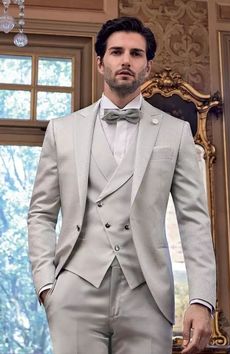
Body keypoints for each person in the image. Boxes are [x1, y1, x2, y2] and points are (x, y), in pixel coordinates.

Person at [28, 16, 216, 354]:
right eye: (116, 52)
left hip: (147, 293)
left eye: (136, 53)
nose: (126, 60)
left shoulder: (175, 132)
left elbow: (194, 220)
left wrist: (202, 298)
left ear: (147, 66)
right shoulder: (63, 130)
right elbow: (41, 213)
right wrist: (46, 285)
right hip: (74, 292)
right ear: (101, 63)